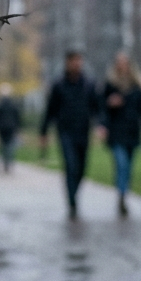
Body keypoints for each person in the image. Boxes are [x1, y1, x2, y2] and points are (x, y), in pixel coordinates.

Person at [40, 50, 100, 219]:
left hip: (83, 131)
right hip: (65, 132)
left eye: (79, 61)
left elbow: (96, 107)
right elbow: (50, 110)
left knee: (81, 168)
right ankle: (72, 200)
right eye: (73, 61)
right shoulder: (59, 85)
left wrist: (101, 125)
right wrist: (43, 131)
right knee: (70, 165)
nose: (77, 64)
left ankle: (74, 193)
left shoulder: (88, 84)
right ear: (68, 63)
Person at [99, 51, 141, 216]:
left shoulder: (137, 85)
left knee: (128, 167)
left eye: (124, 62)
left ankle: (123, 192)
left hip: (132, 131)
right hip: (116, 132)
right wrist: (106, 115)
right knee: (121, 163)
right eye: (119, 62)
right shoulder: (111, 85)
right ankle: (121, 194)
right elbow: (102, 107)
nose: (122, 65)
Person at [0, 83, 22, 172]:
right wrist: (18, 128)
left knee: (2, 147)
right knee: (10, 146)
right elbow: (17, 118)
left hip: (2, 128)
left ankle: (4, 162)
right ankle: (8, 162)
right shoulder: (13, 104)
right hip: (11, 128)